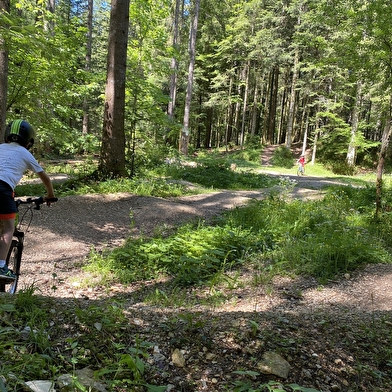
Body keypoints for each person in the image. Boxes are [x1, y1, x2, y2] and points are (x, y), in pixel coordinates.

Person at [0, 120, 56, 280]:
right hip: (3, 190)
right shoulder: (25, 153)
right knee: (8, 228)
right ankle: (1, 267)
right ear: (29, 141)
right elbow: (45, 177)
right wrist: (50, 195)